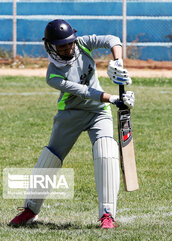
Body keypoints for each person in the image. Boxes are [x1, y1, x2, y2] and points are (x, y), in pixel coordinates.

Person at [9, 19, 135, 229]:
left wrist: (117, 61)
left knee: (106, 152)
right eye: (61, 46)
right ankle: (30, 209)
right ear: (50, 46)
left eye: (69, 44)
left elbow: (113, 39)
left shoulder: (83, 44)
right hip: (70, 114)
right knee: (51, 156)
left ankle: (107, 215)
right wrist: (113, 98)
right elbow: (84, 91)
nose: (67, 49)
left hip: (97, 113)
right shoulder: (53, 75)